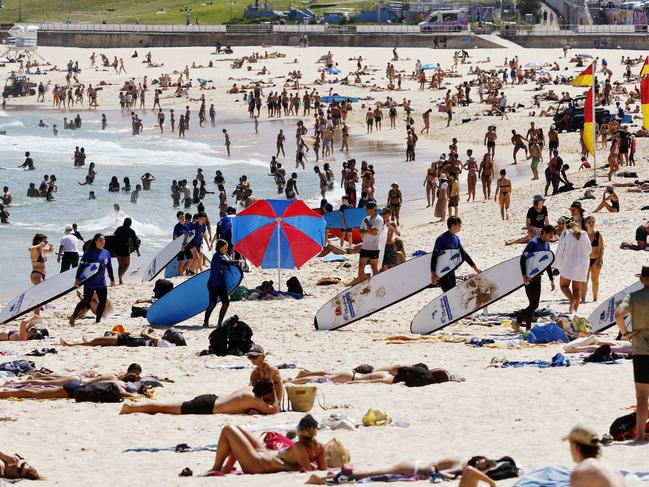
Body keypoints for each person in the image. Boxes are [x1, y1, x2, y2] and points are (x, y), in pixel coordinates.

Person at [205, 414, 326, 476]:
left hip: (258, 465)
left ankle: (217, 467)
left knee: (228, 429)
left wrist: (284, 467)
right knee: (237, 429)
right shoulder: (320, 446)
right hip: (264, 456)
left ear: (298, 431)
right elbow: (323, 470)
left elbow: (306, 471)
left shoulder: (300, 447)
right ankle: (226, 468)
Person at [307, 455, 511, 486]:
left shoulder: (462, 463)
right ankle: (324, 478)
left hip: (414, 465)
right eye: (485, 464)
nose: (484, 465)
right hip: (414, 468)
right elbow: (446, 473)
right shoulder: (463, 464)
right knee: (369, 474)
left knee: (372, 473)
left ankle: (328, 476)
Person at [615, 266, 649, 443]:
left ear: (643, 280)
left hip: (641, 350)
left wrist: (626, 333)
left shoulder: (634, 297)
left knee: (642, 397)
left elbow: (618, 314)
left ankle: (641, 435)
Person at [119, 378, 278, 416]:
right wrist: (277, 392)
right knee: (162, 407)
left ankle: (134, 407)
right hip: (207, 407)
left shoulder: (248, 390)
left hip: (210, 399)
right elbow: (274, 410)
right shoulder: (254, 399)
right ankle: (130, 408)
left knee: (168, 406)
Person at [69, 233, 114, 325]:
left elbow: (109, 267)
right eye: (100, 240)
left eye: (104, 240)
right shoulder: (89, 253)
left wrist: (112, 279)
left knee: (102, 301)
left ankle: (98, 320)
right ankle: (73, 316)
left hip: (101, 282)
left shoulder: (106, 253)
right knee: (86, 301)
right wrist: (77, 279)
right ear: (95, 242)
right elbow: (81, 266)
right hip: (90, 282)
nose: (102, 242)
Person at [520, 225, 555, 330]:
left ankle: (519, 320)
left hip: (538, 277)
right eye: (550, 235)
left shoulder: (547, 245)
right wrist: (524, 276)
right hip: (529, 276)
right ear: (543, 233)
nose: (551, 237)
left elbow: (547, 263)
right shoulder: (533, 243)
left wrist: (551, 279)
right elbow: (523, 259)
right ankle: (528, 328)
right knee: (533, 304)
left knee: (535, 304)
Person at [431, 216, 480, 292]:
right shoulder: (441, 239)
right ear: (453, 226)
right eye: (459, 224)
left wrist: (475, 268)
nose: (460, 226)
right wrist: (433, 274)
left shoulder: (456, 238)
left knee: (453, 293)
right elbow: (434, 256)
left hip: (451, 271)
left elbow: (464, 254)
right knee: (450, 293)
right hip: (442, 273)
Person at [555, 221, 592, 313]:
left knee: (563, 286)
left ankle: (572, 300)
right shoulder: (584, 234)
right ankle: (574, 310)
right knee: (576, 289)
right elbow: (589, 249)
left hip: (569, 262)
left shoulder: (565, 233)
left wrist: (556, 264)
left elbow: (560, 249)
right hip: (582, 264)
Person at [346, 202, 383, 287]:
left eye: (367, 209)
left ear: (372, 209)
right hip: (365, 247)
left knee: (374, 267)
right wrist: (368, 230)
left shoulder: (379, 219)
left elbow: (374, 233)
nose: (366, 210)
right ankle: (361, 284)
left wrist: (367, 226)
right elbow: (360, 231)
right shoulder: (365, 218)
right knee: (361, 266)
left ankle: (376, 284)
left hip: (374, 247)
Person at [203, 239, 237, 328]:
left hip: (221, 283)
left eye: (227, 248)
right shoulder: (217, 256)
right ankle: (205, 322)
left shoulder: (223, 256)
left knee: (226, 302)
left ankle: (220, 323)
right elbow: (225, 263)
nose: (226, 250)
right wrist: (237, 261)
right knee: (212, 303)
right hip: (213, 284)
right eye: (225, 248)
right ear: (219, 248)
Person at [61, 326, 184, 348]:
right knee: (100, 341)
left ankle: (70, 344)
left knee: (97, 341)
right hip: (128, 339)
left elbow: (143, 333)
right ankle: (88, 342)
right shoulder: (163, 341)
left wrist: (147, 330)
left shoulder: (163, 343)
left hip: (127, 340)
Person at [583, 216, 604, 303]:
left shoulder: (597, 235)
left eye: (593, 222)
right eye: (589, 222)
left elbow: (601, 248)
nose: (591, 224)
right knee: (584, 280)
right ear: (586, 224)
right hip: (585, 260)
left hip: (596, 259)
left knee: (595, 279)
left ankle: (595, 298)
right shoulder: (583, 235)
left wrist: (599, 260)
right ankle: (583, 299)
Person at [113, 218, 140, 285]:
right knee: (126, 265)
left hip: (118, 249)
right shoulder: (131, 231)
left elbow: (113, 238)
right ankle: (120, 277)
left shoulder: (119, 229)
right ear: (130, 224)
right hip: (125, 250)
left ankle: (120, 279)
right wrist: (137, 251)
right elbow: (135, 242)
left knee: (120, 265)